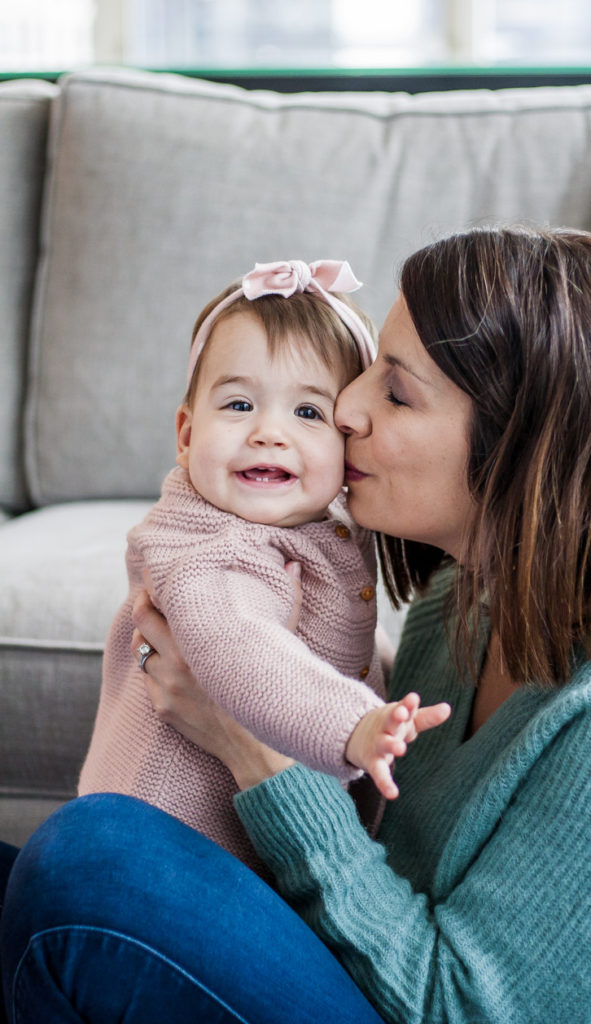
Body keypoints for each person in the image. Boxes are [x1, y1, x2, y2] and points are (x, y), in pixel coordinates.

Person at [1, 227, 591, 1024]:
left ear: (520, 446)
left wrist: (253, 749)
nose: (346, 408)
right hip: (360, 969)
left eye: (393, 392)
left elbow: (462, 1007)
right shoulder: (466, 595)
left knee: (91, 864)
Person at [78, 258, 449, 873]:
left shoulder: (313, 530)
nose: (269, 433)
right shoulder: (213, 550)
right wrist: (354, 723)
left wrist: (386, 681)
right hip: (162, 856)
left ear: (349, 440)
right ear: (186, 433)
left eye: (307, 414)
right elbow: (240, 644)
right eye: (239, 404)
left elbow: (336, 637)